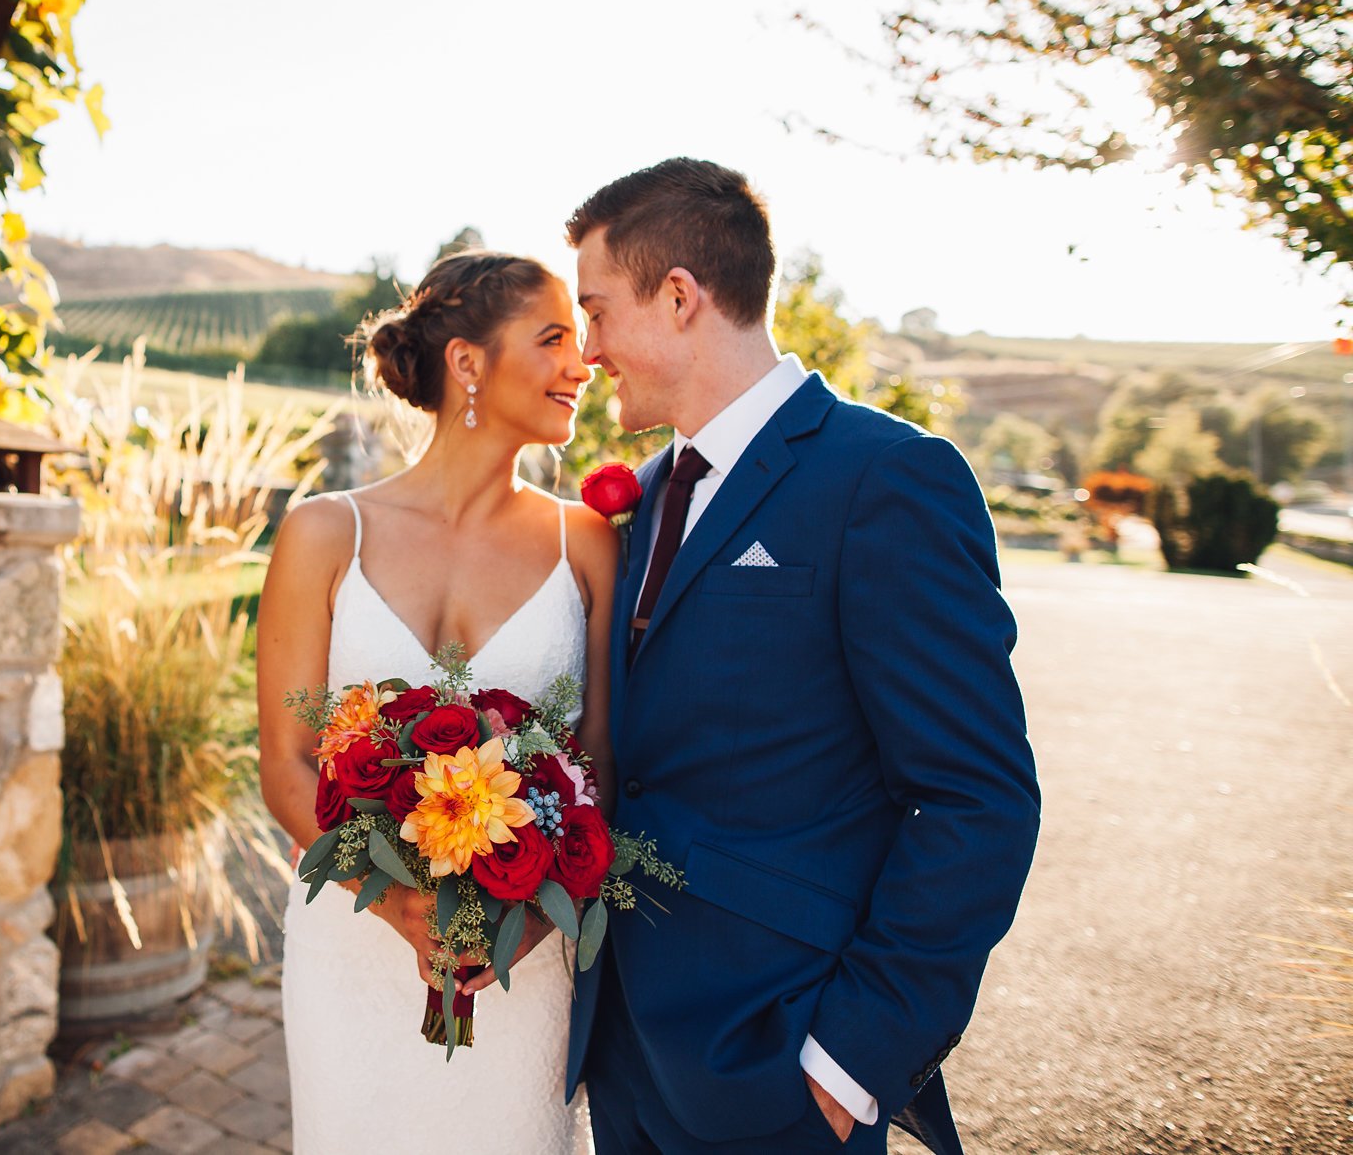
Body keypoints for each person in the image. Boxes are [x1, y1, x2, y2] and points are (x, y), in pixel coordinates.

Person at [563, 157, 1043, 1155]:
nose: (587, 347)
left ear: (680, 298)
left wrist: (853, 1053)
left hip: (777, 1063)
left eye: (598, 310)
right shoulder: (645, 494)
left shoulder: (885, 478)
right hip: (624, 1055)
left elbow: (973, 795)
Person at [256, 250, 615, 1153]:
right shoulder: (325, 531)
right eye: (554, 338)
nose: (584, 364)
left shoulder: (589, 543)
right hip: (352, 947)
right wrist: (404, 909)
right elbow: (286, 761)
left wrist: (518, 924)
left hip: (522, 959)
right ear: (467, 362)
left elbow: (602, 762)